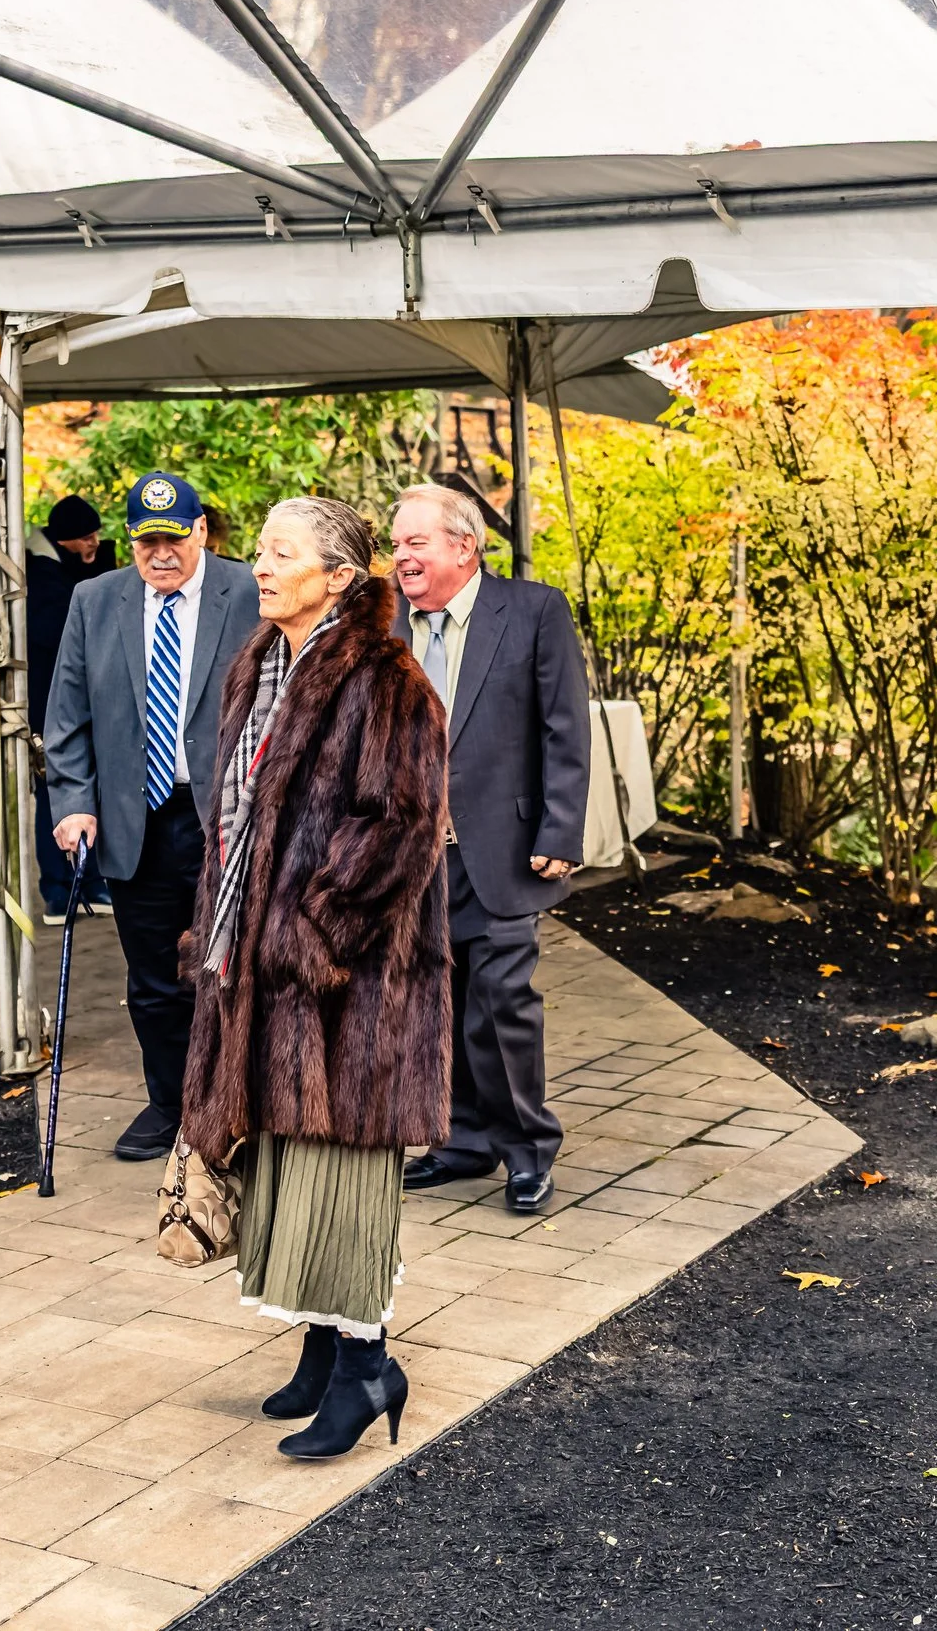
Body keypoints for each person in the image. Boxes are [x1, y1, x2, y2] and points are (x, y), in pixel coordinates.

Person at [181, 495, 449, 1460]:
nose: (259, 566)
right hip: (265, 971)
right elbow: (236, 817)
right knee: (289, 1169)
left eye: (280, 553)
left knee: (344, 1184)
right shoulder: (262, 664)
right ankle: (324, 1348)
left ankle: (368, 1367)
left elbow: (403, 826)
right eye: (259, 550)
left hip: (351, 986)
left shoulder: (386, 678)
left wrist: (314, 931)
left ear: (339, 577)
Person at [388, 482, 590, 1217]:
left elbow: (564, 727)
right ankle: (462, 1141)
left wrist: (559, 831)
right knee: (436, 1003)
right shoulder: (385, 622)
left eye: (416, 543)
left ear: (464, 547)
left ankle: (528, 1151)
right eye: (396, 544)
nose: (401, 557)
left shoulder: (534, 611)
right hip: (413, 857)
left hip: (503, 848)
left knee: (502, 1003)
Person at [45, 472, 259, 1161]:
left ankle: (235, 1106)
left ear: (201, 531)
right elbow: (67, 716)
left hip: (226, 816)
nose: (161, 554)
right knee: (153, 980)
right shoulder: (94, 599)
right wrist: (74, 803)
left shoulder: (249, 590)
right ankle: (172, 1103)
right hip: (133, 820)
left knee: (232, 968)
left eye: (173, 539)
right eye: (146, 542)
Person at [27, 494, 114, 920]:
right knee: (54, 792)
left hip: (90, 701)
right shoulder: (42, 577)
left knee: (96, 790)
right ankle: (58, 891)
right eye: (86, 536)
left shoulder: (72, 568)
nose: (94, 542)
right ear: (65, 540)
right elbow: (65, 629)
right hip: (49, 703)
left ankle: (93, 882)